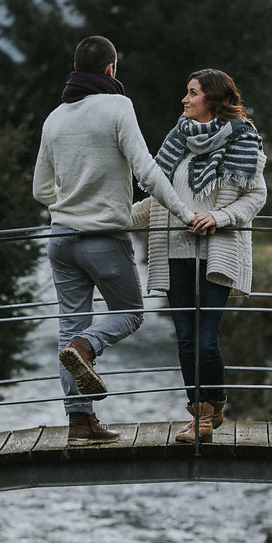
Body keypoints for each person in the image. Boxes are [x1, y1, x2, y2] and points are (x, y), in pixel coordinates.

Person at [33, 35, 201, 443]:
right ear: (111, 70)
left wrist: (70, 205)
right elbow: (145, 170)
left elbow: (41, 189)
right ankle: (87, 349)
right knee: (130, 312)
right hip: (103, 238)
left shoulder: (54, 118)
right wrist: (184, 213)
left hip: (60, 239)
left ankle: (80, 423)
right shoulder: (117, 106)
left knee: (69, 324)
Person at [132, 68, 266, 443]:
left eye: (192, 93)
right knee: (186, 341)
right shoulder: (177, 141)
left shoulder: (244, 141)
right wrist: (111, 218)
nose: (184, 99)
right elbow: (159, 198)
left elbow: (256, 196)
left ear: (213, 99)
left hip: (217, 253)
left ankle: (215, 401)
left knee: (206, 340)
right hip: (174, 253)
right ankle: (201, 417)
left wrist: (219, 217)